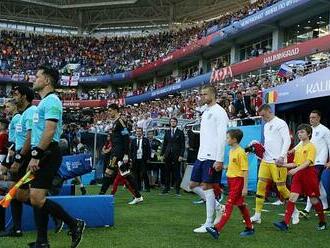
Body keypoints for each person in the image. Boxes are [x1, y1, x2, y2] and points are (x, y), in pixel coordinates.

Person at [27, 66, 85, 248]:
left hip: (48, 153)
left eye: (37, 77)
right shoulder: (43, 102)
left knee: (36, 198)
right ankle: (42, 242)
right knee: (36, 197)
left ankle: (74, 223)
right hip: (43, 152)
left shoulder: (52, 101)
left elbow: (50, 131)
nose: (33, 80)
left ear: (47, 80)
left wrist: (36, 155)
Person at [250, 104, 299, 225]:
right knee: (260, 186)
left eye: (263, 115)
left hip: (278, 161)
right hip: (266, 161)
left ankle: (295, 211)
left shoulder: (280, 123)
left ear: (269, 111)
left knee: (281, 188)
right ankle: (257, 215)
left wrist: (282, 156)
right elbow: (268, 143)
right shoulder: (266, 126)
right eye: (261, 116)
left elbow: (287, 140)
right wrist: (258, 149)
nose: (262, 118)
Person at [190, 85, 228, 233]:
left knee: (207, 187)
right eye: (201, 94)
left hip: (212, 156)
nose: (202, 97)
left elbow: (221, 138)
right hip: (202, 155)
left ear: (213, 94)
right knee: (192, 184)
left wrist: (219, 159)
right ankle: (219, 207)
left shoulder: (220, 112)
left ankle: (208, 223)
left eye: (205, 94)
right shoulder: (206, 112)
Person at [273, 124, 326, 231]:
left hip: (309, 175)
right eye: (298, 133)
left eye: (302, 132)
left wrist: (296, 170)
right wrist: (282, 165)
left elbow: (307, 162)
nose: (300, 134)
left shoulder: (311, 146)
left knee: (314, 200)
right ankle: (285, 223)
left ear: (309, 134)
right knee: (292, 197)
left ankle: (322, 222)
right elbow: (295, 163)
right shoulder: (299, 148)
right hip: (299, 176)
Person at [206, 129, 254, 239]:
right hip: (231, 181)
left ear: (234, 140)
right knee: (241, 205)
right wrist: (223, 167)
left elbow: (245, 170)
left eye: (227, 138)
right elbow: (233, 165)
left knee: (229, 204)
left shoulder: (240, 152)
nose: (226, 139)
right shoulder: (232, 150)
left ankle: (217, 229)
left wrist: (245, 187)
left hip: (238, 181)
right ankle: (250, 227)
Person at [99, 104, 143, 205]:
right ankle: (138, 196)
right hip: (116, 151)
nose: (109, 113)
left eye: (110, 111)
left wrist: (126, 154)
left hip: (118, 153)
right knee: (126, 175)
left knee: (108, 172)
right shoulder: (115, 122)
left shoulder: (121, 122)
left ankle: (100, 196)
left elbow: (126, 138)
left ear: (115, 110)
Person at [300, 110, 330, 217]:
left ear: (319, 118)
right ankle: (326, 207)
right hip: (310, 160)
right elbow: (301, 144)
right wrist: (292, 151)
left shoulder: (325, 130)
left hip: (320, 161)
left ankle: (307, 209)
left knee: (311, 183)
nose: (311, 119)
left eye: (313, 117)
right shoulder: (309, 130)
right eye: (310, 117)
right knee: (319, 185)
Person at [161, 117, 185, 195]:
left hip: (176, 155)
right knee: (167, 172)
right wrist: (162, 154)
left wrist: (181, 155)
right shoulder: (167, 132)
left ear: (176, 123)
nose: (173, 123)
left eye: (174, 121)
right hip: (168, 154)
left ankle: (177, 189)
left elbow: (183, 145)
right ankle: (166, 188)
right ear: (170, 123)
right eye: (171, 121)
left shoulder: (180, 132)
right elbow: (164, 144)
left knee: (176, 172)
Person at [130, 127, 151, 192]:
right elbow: (131, 150)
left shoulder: (146, 140)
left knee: (144, 173)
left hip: (143, 159)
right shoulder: (133, 140)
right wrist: (131, 158)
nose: (138, 132)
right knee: (136, 174)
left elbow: (148, 150)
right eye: (137, 131)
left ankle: (147, 188)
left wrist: (148, 158)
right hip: (135, 159)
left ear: (142, 132)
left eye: (140, 131)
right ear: (135, 132)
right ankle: (138, 188)